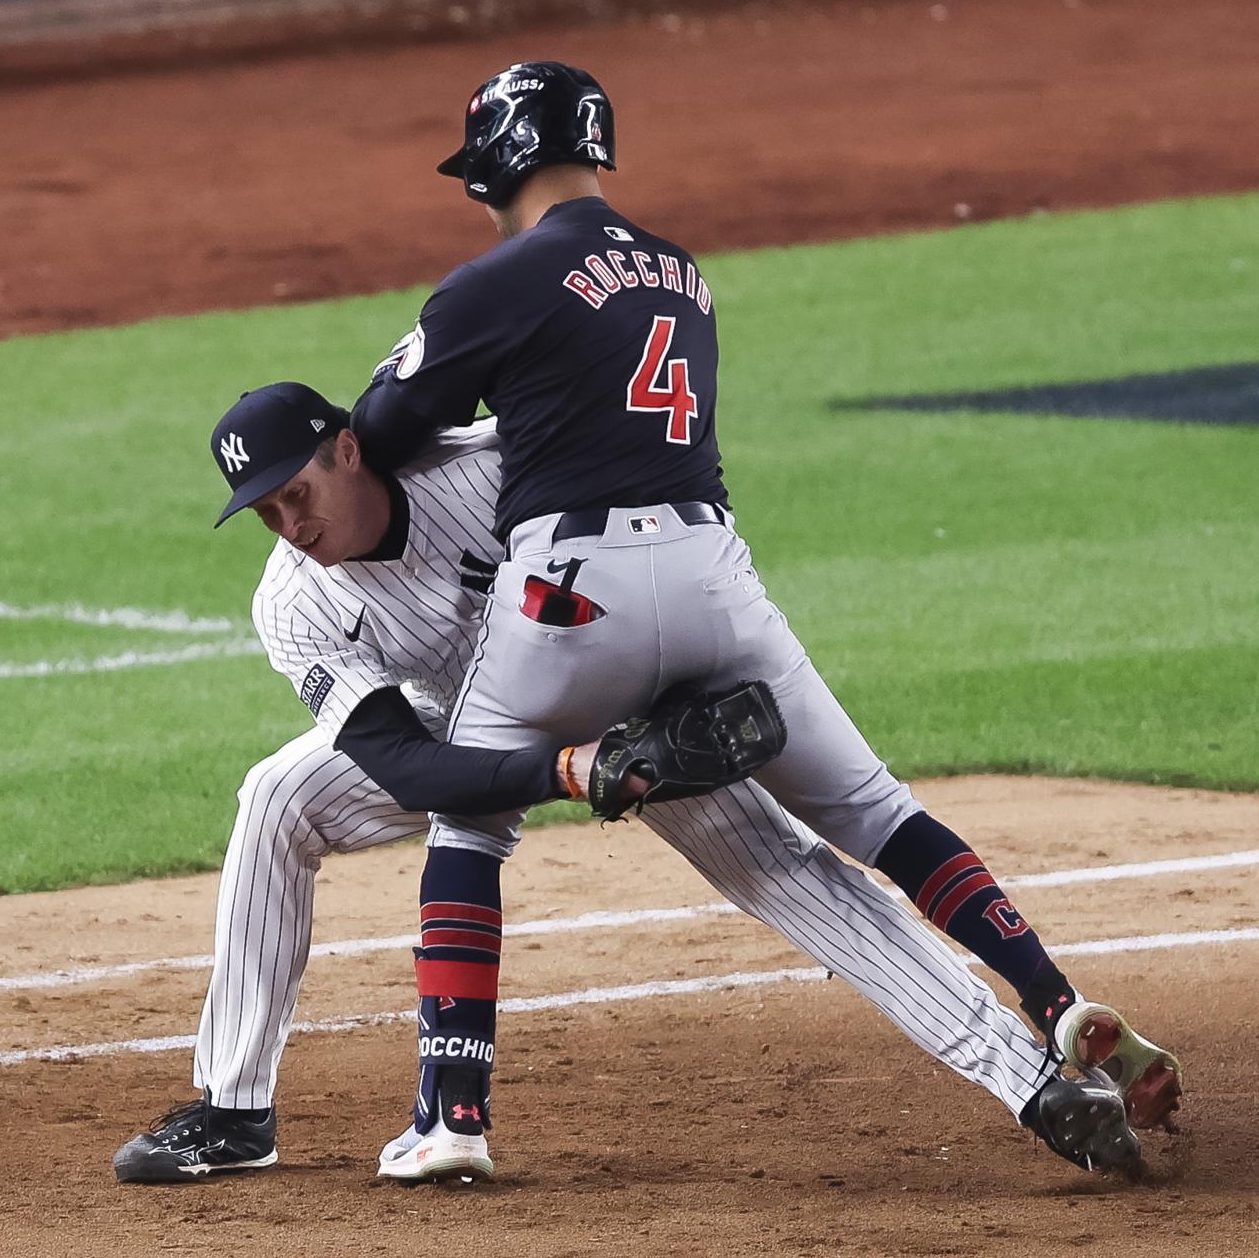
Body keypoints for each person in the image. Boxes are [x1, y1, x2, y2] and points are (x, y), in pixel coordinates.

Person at [347, 62, 1183, 1184]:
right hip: (711, 575)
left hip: (568, 593)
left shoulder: (493, 281)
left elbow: (381, 430)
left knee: (470, 819)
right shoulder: (683, 274)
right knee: (876, 810)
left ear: (498, 159)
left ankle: (451, 1115)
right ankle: (1052, 995)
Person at [112, 384, 1143, 1184]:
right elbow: (401, 763)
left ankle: (1034, 1083)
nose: (289, 521)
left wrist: (644, 703)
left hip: (611, 694)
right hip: (463, 736)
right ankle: (235, 1109)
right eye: (264, 510)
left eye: (298, 490)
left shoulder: (485, 467)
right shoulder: (292, 599)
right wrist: (562, 771)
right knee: (278, 797)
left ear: (347, 449)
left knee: (785, 870)